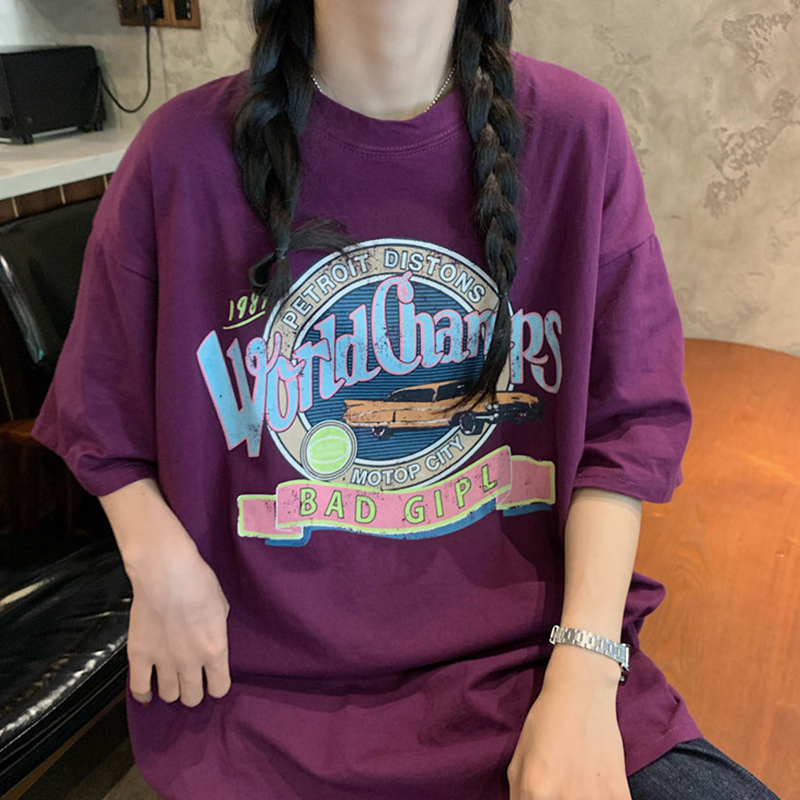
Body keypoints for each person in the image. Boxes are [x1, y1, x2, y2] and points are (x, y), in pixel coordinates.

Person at [32, 1, 783, 799]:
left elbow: (627, 429)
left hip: (539, 673)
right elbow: (99, 413)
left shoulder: (577, 133)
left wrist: (586, 674)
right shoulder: (180, 157)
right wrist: (157, 560)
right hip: (267, 716)